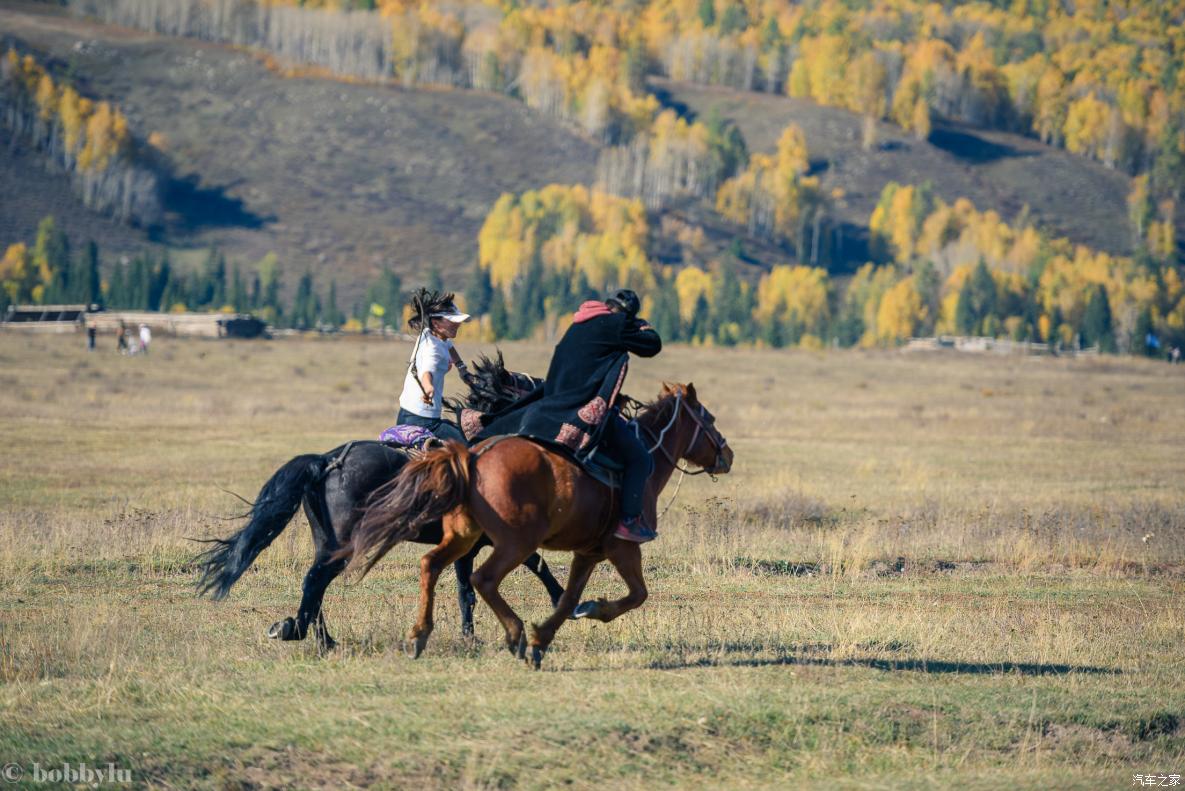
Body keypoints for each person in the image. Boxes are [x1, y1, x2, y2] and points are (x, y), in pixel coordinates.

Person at [480, 289, 662, 543]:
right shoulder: (616, 324)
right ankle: (628, 521)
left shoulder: (579, 323)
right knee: (639, 458)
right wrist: (642, 326)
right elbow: (652, 345)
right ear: (625, 314)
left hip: (550, 405)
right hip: (577, 408)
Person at [396, 289, 471, 444]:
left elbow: (449, 346)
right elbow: (426, 371)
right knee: (468, 447)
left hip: (405, 413)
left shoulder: (432, 334)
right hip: (425, 421)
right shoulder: (433, 349)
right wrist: (428, 386)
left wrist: (461, 367)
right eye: (452, 321)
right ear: (436, 323)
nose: (458, 324)